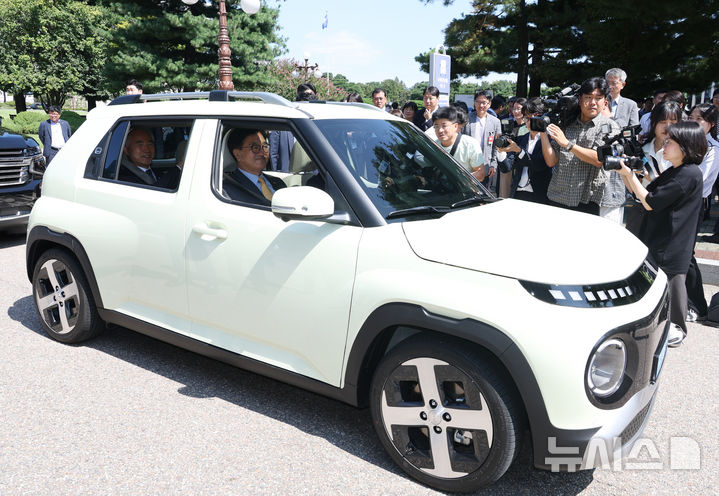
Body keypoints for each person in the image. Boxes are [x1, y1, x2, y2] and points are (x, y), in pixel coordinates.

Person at [618, 121, 707, 347]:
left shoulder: (688, 174)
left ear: (686, 146)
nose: (664, 146)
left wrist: (629, 174)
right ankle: (663, 324)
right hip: (664, 237)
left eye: (670, 143)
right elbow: (649, 190)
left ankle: (677, 327)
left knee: (673, 283)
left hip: (672, 241)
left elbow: (650, 201)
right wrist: (628, 174)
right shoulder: (679, 171)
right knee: (660, 282)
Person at [542, 77, 620, 215]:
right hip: (558, 196)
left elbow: (598, 159)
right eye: (588, 97)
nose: (593, 103)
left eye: (598, 98)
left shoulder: (609, 127)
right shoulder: (567, 124)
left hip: (587, 201)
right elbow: (551, 161)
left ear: (605, 102)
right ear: (580, 100)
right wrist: (542, 131)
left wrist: (567, 144)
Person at [684, 103, 719, 321]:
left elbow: (702, 179)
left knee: (686, 254)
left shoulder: (713, 149)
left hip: (694, 203)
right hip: (673, 200)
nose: (693, 123)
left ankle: (697, 304)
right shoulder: (682, 140)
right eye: (692, 117)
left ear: (711, 124)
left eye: (699, 120)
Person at [499, 97, 554, 204]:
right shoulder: (521, 138)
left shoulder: (549, 140)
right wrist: (500, 152)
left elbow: (539, 165)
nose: (530, 122)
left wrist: (519, 151)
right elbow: (507, 168)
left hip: (539, 194)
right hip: (518, 192)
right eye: (527, 119)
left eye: (534, 118)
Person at [223, 129, 286, 206]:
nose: (262, 152)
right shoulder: (228, 188)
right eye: (255, 148)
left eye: (265, 146)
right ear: (237, 154)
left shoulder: (278, 182)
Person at [432, 106, 485, 182]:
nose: (440, 130)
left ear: (455, 126)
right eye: (436, 126)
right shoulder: (434, 145)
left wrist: (459, 182)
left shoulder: (470, 144)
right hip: (440, 191)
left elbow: (480, 174)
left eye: (444, 126)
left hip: (463, 191)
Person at [465, 90, 502, 193]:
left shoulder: (495, 122)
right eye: (478, 102)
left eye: (484, 102)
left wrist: (493, 164)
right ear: (474, 103)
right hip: (468, 164)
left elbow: (496, 145)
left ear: (489, 104)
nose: (481, 105)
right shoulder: (467, 118)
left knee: (484, 192)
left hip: (486, 164)